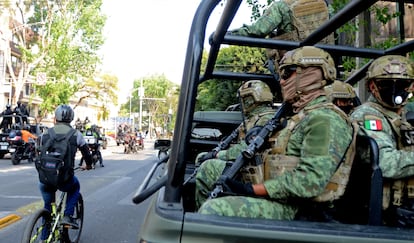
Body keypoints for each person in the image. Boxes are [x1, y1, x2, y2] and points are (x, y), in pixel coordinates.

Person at [196, 46, 353, 221]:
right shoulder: (301, 115)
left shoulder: (324, 119)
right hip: (277, 192)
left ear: (312, 73)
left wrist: (252, 190)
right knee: (207, 170)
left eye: (287, 74)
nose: (282, 81)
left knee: (214, 209)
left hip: (299, 208)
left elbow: (310, 182)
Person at [349, 55, 414, 227]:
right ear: (372, 86)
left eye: (402, 84)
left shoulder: (401, 116)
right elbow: (386, 163)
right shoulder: (367, 115)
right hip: (384, 214)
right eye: (386, 84)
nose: (395, 89)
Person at [195, 80, 277, 208]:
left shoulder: (266, 119)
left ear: (251, 98)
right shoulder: (256, 118)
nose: (242, 103)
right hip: (246, 165)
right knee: (202, 157)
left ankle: (202, 214)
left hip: (252, 169)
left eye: (244, 99)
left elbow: (245, 148)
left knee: (207, 167)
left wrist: (217, 155)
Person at [38, 105, 93, 231]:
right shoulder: (76, 134)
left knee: (48, 207)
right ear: (71, 118)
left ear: (55, 118)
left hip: (45, 178)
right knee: (75, 187)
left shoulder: (45, 133)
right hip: (64, 178)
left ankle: (44, 237)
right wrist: (89, 165)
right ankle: (67, 216)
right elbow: (86, 154)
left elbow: (38, 152)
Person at [228, 0, 332, 67]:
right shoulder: (326, 6)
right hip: (326, 63)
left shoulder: (281, 6)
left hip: (295, 65)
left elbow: (258, 31)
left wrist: (229, 35)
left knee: (270, 62)